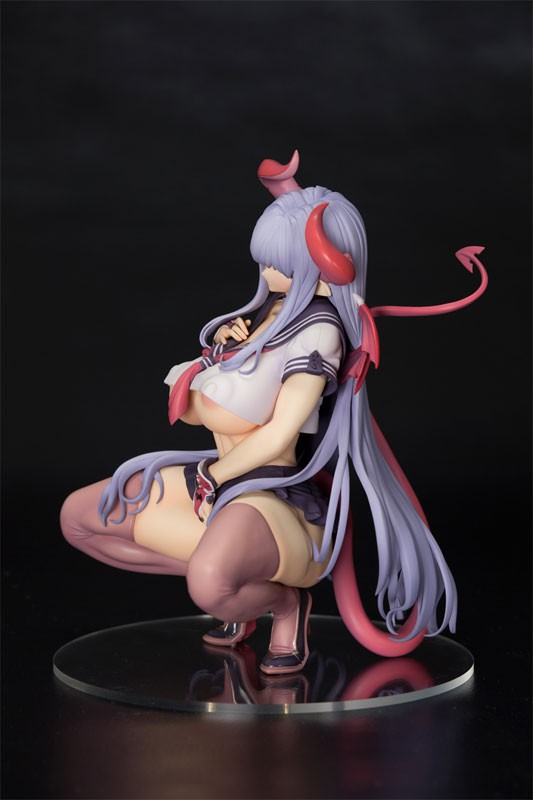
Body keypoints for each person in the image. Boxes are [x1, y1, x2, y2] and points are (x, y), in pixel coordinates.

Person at [60, 151, 487, 674]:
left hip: (271, 496)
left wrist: (216, 477)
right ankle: (240, 591)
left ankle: (283, 605)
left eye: (280, 264)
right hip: (217, 482)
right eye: (266, 261)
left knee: (208, 585)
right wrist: (222, 350)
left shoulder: (319, 332)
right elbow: (198, 409)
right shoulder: (267, 314)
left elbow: (279, 432)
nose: (267, 273)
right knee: (81, 520)